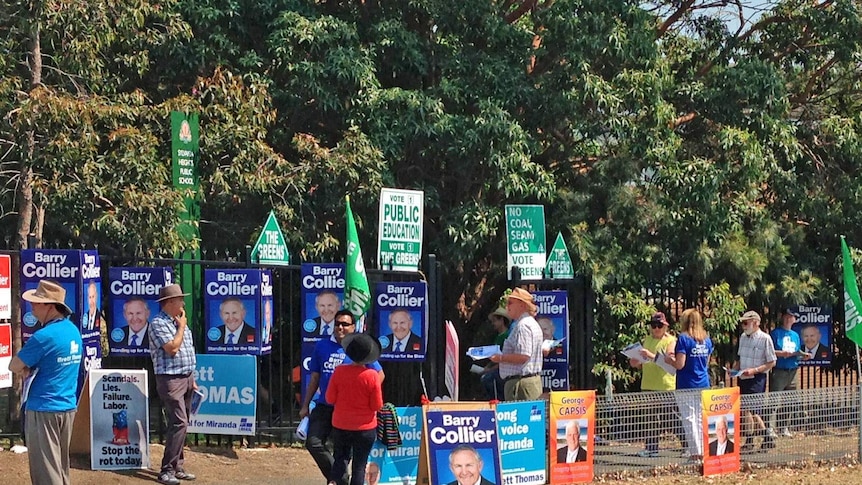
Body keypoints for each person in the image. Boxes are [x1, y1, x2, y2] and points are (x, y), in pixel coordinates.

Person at [8, 280, 83, 485]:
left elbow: (14, 365)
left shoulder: (43, 336)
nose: (32, 308)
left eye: (36, 303)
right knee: (60, 469)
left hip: (43, 409)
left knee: (46, 474)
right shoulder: (72, 331)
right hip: (67, 407)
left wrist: (26, 368)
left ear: (49, 306)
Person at [300, 310, 384, 485]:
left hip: (349, 409)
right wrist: (305, 405)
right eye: (337, 323)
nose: (340, 327)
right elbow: (314, 377)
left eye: (345, 324)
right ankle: (340, 479)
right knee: (314, 442)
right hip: (326, 405)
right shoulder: (322, 346)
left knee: (347, 457)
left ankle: (336, 479)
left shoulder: (358, 347)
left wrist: (360, 392)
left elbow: (379, 375)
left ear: (353, 327)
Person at [148, 284, 198, 485]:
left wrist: (192, 379)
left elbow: (188, 351)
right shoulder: (158, 324)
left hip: (185, 377)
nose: (183, 303)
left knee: (182, 423)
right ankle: (166, 469)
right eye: (180, 299)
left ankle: (177, 466)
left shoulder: (179, 322)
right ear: (169, 302)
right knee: (179, 422)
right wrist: (182, 327)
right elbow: (173, 349)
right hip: (169, 378)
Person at [326, 332, 383, 485]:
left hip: (340, 424)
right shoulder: (371, 376)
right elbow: (377, 405)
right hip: (365, 428)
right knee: (359, 465)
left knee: (340, 460)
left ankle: (333, 482)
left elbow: (329, 398)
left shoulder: (339, 371)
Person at [665, 308, 713, 463]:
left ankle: (695, 454)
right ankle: (702, 452)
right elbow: (706, 362)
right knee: (699, 418)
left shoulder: (684, 339)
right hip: (703, 382)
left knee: (688, 419)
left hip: (686, 383)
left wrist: (668, 360)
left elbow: (680, 364)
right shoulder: (706, 339)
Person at [629, 311, 676, 457]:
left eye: (659, 326)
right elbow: (638, 363)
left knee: (671, 418)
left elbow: (670, 361)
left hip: (665, 385)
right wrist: (635, 360)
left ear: (665, 326)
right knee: (649, 419)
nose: (656, 329)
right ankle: (651, 448)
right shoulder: (647, 340)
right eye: (654, 325)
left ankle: (688, 445)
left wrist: (650, 355)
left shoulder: (671, 341)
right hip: (648, 384)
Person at [732, 310, 777, 452]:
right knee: (745, 410)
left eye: (746, 322)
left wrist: (755, 370)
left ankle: (767, 436)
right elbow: (740, 358)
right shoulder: (743, 337)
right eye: (743, 323)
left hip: (757, 378)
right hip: (743, 377)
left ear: (756, 323)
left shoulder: (765, 338)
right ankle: (750, 441)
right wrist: (734, 369)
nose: (744, 326)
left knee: (754, 410)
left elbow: (771, 362)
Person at [489, 288, 543, 401]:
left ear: (522, 305)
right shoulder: (530, 323)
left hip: (521, 385)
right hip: (525, 382)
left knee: (521, 418)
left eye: (511, 303)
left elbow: (523, 356)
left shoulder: (523, 326)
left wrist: (500, 358)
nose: (507, 306)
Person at [769, 308, 810, 437]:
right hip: (779, 370)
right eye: (786, 316)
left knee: (790, 401)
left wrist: (803, 355)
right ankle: (770, 428)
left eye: (791, 317)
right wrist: (782, 354)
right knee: (774, 400)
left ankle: (783, 428)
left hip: (793, 370)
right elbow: (770, 351)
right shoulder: (775, 333)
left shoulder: (795, 335)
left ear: (794, 320)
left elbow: (797, 351)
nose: (788, 319)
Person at [480, 307, 510, 400]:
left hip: (501, 371)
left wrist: (490, 369)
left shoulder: (506, 336)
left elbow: (504, 358)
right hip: (495, 367)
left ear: (502, 320)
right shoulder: (498, 337)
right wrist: (488, 367)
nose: (493, 324)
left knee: (488, 380)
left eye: (495, 321)